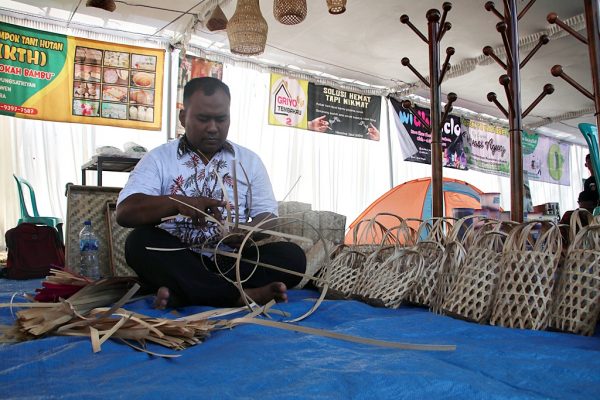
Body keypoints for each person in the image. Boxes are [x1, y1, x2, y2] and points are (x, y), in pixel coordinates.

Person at [116, 77, 307, 309]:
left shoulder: (249, 161)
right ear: (183, 117)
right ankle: (237, 297)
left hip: (231, 263)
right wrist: (176, 202)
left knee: (292, 257)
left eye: (221, 119)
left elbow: (268, 215)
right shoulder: (158, 159)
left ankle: (188, 293)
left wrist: (247, 233)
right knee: (138, 244)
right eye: (203, 119)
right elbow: (126, 212)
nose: (213, 128)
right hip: (179, 258)